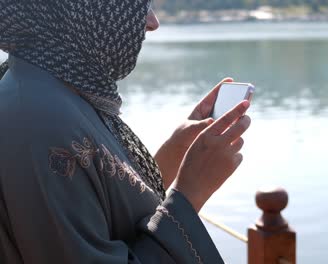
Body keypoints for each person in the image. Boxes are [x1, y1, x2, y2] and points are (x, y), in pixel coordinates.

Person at [0, 1, 251, 263]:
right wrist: (189, 194)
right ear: (86, 11)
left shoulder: (54, 89)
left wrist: (170, 159)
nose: (152, 22)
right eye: (136, 6)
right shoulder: (41, 119)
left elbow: (105, 205)